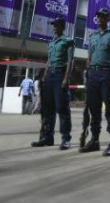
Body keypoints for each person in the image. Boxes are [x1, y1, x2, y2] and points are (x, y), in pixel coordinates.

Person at [79, 8, 110, 156]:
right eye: (98, 16)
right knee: (94, 109)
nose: (100, 19)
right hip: (93, 74)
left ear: (108, 19)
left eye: (103, 16)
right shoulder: (92, 36)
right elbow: (89, 57)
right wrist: (86, 74)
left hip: (107, 74)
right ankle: (95, 141)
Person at [32, 17, 75, 150]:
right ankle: (47, 137)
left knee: (62, 108)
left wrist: (65, 78)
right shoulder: (51, 43)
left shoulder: (68, 41)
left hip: (60, 75)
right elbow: (48, 61)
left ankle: (65, 138)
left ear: (62, 26)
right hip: (49, 76)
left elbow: (70, 61)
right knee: (47, 109)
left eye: (57, 25)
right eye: (53, 25)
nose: (54, 27)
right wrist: (44, 76)